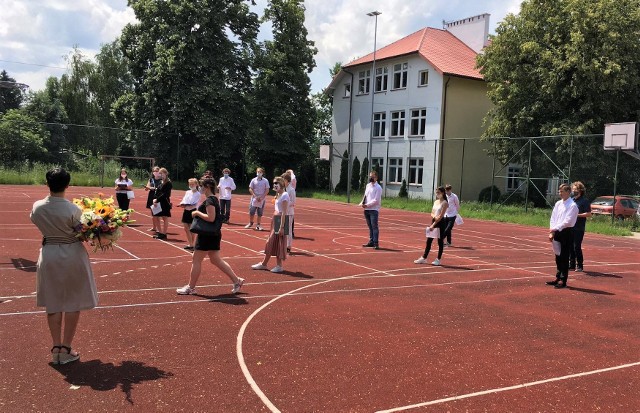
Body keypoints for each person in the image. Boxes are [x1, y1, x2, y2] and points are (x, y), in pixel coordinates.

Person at [30, 168, 98, 365]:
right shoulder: (74, 209)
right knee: (72, 301)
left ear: (47, 184)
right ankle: (66, 347)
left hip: (49, 252)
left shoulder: (38, 206)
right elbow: (84, 233)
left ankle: (56, 346)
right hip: (71, 253)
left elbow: (34, 220)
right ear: (67, 185)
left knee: (53, 300)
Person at [177, 178, 244, 295]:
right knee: (215, 259)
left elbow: (211, 218)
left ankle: (191, 287)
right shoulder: (213, 199)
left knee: (196, 260)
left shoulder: (210, 200)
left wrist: (197, 213)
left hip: (207, 235)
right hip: (213, 234)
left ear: (207, 186)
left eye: (201, 186)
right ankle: (237, 280)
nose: (200, 188)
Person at [251, 176, 290, 273]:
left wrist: (281, 227)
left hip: (281, 220)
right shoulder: (278, 194)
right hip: (276, 218)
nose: (275, 185)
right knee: (273, 242)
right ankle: (265, 264)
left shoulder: (285, 195)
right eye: (274, 183)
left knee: (277, 242)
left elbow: (284, 212)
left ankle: (277, 265)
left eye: (277, 183)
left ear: (281, 184)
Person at [546, 183, 578, 289]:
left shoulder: (572, 206)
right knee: (558, 256)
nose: (560, 193)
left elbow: (567, 222)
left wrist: (554, 229)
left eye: (562, 191)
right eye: (559, 191)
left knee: (564, 257)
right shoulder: (558, 203)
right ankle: (558, 277)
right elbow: (553, 217)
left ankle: (563, 280)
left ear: (568, 192)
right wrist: (552, 230)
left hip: (566, 232)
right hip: (556, 231)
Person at [414, 186, 449, 266]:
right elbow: (432, 212)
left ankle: (438, 259)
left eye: (438, 193)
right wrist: (434, 218)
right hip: (434, 220)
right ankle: (424, 257)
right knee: (429, 240)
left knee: (440, 242)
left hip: (440, 223)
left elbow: (441, 216)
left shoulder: (445, 203)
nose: (437, 194)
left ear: (443, 193)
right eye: (436, 192)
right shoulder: (436, 202)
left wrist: (433, 225)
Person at [569, 181, 591, 272]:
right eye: (573, 189)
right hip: (570, 226)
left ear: (580, 191)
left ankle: (580, 265)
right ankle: (572, 264)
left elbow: (589, 214)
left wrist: (577, 215)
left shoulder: (584, 201)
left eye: (576, 189)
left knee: (576, 246)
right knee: (570, 246)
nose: (574, 191)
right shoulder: (571, 200)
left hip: (579, 227)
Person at [359, 170, 382, 249]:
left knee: (374, 226)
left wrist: (367, 205)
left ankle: (376, 243)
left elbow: (376, 200)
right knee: (370, 226)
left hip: (373, 209)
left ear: (376, 178)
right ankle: (371, 241)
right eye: (370, 177)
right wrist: (362, 203)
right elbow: (365, 195)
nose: (371, 178)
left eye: (372, 177)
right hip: (367, 209)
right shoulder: (368, 185)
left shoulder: (378, 188)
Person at [178, 178, 202, 251]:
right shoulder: (187, 192)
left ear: (196, 184)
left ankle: (192, 244)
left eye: (193, 184)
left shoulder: (198, 194)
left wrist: (188, 205)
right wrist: (182, 204)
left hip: (193, 211)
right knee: (186, 228)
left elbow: (194, 203)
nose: (191, 185)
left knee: (191, 229)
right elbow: (184, 199)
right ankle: (191, 244)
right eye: (190, 184)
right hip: (186, 210)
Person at [152, 167, 172, 240]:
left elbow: (165, 194)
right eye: (160, 173)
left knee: (164, 217)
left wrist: (156, 200)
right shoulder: (160, 182)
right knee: (156, 217)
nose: (161, 175)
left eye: (162, 173)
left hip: (164, 202)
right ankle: (160, 232)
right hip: (157, 202)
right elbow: (157, 192)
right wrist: (154, 199)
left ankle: (164, 233)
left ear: (166, 174)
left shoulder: (168, 183)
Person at [143, 166, 161, 232]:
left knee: (157, 213)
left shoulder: (161, 180)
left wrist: (155, 188)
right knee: (153, 213)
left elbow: (162, 189)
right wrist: (147, 187)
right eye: (154, 171)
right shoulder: (151, 179)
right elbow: (147, 188)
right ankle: (154, 227)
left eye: (157, 171)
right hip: (151, 196)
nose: (155, 172)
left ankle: (159, 228)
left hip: (158, 196)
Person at [282, 172, 296, 253]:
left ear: (287, 180)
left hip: (288, 212)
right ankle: (280, 245)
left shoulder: (291, 190)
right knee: (279, 229)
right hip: (280, 212)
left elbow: (293, 202)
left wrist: (285, 203)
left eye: (283, 180)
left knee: (288, 230)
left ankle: (288, 246)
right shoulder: (282, 189)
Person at [286, 169, 297, 237]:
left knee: (289, 224)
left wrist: (291, 172)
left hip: (288, 209)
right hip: (280, 210)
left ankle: (290, 233)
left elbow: (292, 201)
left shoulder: (291, 188)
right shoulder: (282, 188)